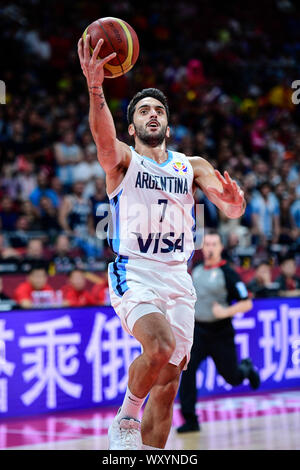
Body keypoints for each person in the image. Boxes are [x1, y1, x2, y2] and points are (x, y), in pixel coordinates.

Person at [78, 35, 246, 451]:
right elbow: (102, 139)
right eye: (143, 111)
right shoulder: (121, 159)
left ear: (167, 126)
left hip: (177, 276)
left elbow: (227, 206)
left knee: (169, 382)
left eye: (158, 110)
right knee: (159, 346)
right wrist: (96, 89)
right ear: (131, 127)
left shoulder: (191, 165)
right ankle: (126, 416)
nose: (152, 115)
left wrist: (232, 203)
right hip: (135, 270)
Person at [177, 231, 260, 433]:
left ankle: (246, 369)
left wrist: (225, 311)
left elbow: (246, 303)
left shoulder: (228, 273)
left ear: (221, 247)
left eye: (214, 244)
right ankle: (190, 419)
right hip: (198, 332)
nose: (211, 247)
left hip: (221, 333)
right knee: (187, 372)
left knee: (231, 377)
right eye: (207, 244)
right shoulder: (195, 269)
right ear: (203, 248)